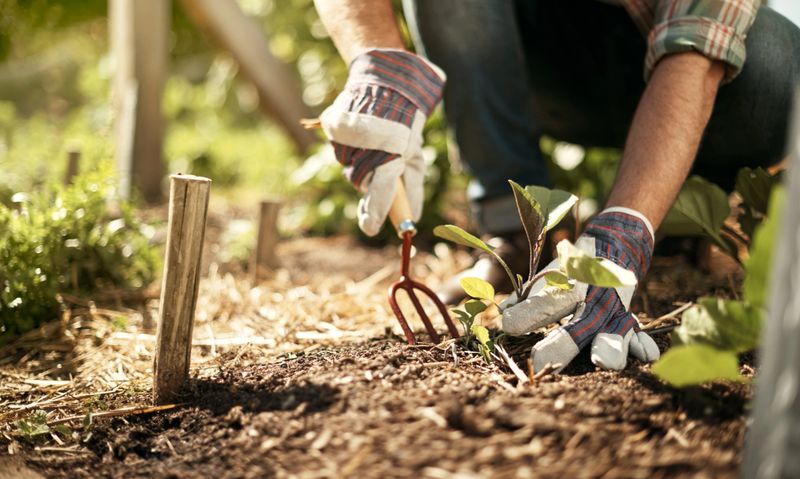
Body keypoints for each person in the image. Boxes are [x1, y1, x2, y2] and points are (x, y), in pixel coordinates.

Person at [312, 0, 800, 373]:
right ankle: (516, 228)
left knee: (779, 71)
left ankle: (677, 209)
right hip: (536, 60)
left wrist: (625, 229)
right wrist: (374, 62)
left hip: (681, 57)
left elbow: (698, 52)